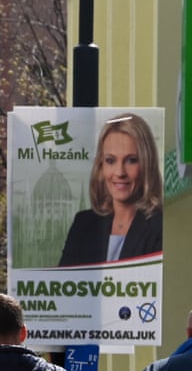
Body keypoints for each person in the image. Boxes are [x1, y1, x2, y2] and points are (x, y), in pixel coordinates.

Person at [59, 112, 163, 267]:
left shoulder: (160, 225)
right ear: (101, 166)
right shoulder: (83, 224)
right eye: (110, 160)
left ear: (147, 164)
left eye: (131, 160)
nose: (120, 172)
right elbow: (61, 285)